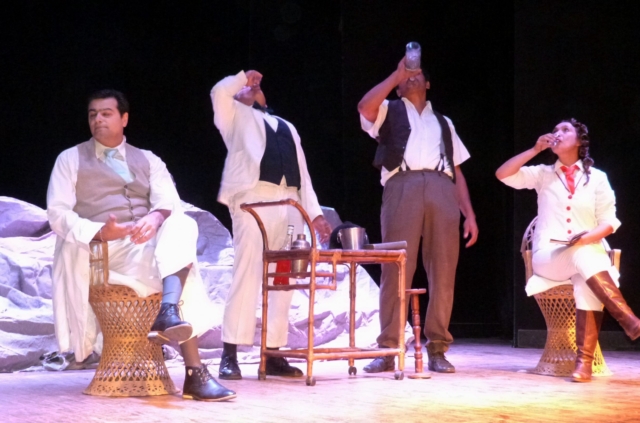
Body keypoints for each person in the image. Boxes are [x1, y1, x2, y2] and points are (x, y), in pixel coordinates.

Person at [47, 89, 235, 401]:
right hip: (103, 252)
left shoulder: (148, 159)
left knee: (182, 224)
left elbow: (168, 201)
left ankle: (168, 312)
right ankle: (193, 371)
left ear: (124, 119)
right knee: (181, 269)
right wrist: (101, 231)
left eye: (106, 113)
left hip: (146, 248)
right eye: (93, 114)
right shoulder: (70, 159)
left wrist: (156, 217)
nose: (98, 119)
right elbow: (57, 214)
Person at [358, 56, 479, 374]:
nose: (411, 77)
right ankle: (389, 347)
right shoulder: (389, 110)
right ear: (398, 86)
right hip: (403, 185)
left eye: (416, 74)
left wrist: (469, 213)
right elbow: (365, 108)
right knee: (396, 267)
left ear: (428, 83)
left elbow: (456, 171)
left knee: (444, 269)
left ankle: (437, 347)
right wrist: (394, 74)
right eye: (406, 75)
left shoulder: (444, 122)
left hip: (441, 187)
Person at [496, 118, 640, 382]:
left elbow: (609, 222)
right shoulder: (543, 174)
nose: (557, 133)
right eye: (555, 130)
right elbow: (503, 174)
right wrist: (534, 150)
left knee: (584, 275)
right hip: (548, 257)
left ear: (579, 141)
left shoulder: (598, 178)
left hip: (587, 257)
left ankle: (583, 364)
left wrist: (587, 238)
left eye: (565, 130)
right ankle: (628, 319)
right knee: (583, 257)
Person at [211, 70, 332, 380]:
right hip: (254, 200)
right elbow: (219, 93)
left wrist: (315, 213)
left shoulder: (288, 127)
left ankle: (274, 352)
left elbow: (303, 174)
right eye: (247, 88)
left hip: (290, 204)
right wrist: (242, 79)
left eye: (257, 87)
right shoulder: (234, 117)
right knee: (247, 271)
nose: (254, 88)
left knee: (284, 279)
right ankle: (230, 353)